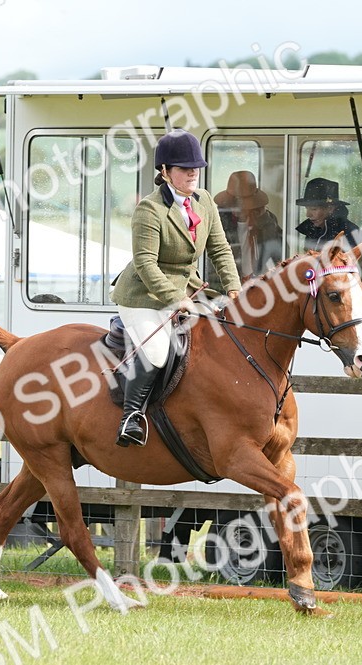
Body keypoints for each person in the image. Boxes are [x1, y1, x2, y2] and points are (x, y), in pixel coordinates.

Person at [109, 129, 241, 447]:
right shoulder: (149, 210)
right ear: (165, 171)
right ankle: (131, 417)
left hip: (189, 289)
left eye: (196, 167)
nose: (193, 173)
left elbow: (220, 249)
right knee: (156, 353)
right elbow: (145, 264)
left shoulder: (204, 201)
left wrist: (234, 289)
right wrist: (175, 298)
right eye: (185, 168)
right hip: (144, 295)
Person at [295, 178, 362, 288]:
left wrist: (340, 288)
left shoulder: (351, 233)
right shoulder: (312, 231)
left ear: (330, 208)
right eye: (307, 209)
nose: (308, 214)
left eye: (313, 209)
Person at [214, 170, 283, 279]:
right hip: (229, 281)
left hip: (257, 281)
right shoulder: (220, 222)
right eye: (233, 204)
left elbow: (279, 252)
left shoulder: (266, 221)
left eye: (242, 204)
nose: (237, 209)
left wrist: (264, 220)